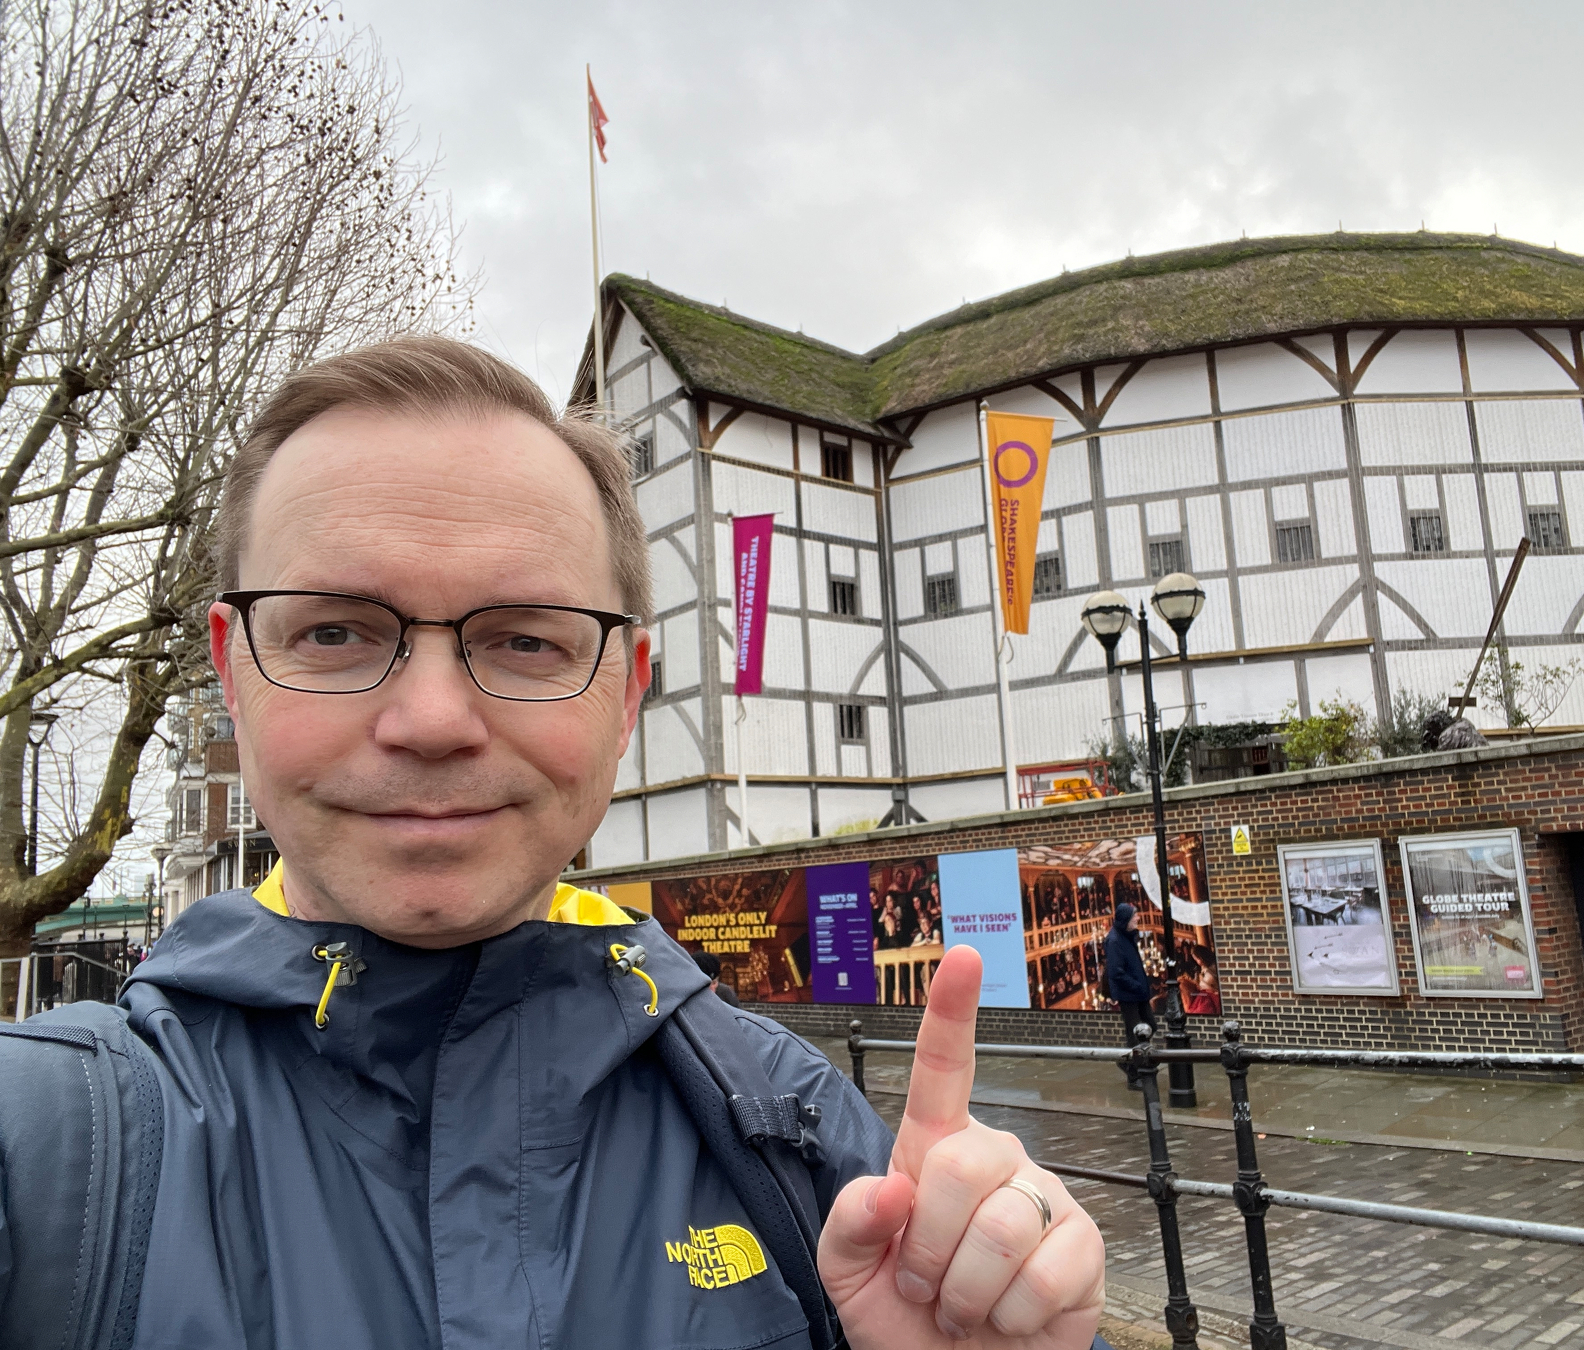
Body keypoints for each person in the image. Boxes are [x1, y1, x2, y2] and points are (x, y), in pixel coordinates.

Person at [0, 338, 1106, 1349]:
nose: (431, 720)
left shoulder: (794, 1131)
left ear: (627, 696)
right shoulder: (45, 1149)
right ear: (232, 669)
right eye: (334, 631)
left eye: (526, 639)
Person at [1103, 902, 1153, 1084]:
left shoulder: (1127, 936)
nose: (1138, 918)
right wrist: (1136, 985)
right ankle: (1133, 1072)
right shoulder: (1115, 941)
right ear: (1126, 920)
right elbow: (1116, 972)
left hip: (1139, 993)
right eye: (1135, 916)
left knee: (1150, 1026)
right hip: (1129, 995)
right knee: (1134, 1035)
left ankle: (1132, 1063)